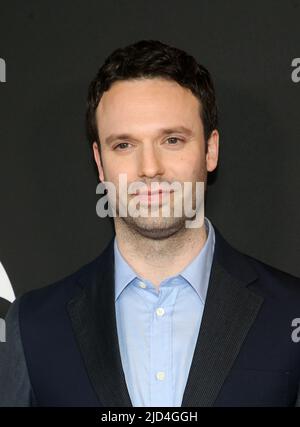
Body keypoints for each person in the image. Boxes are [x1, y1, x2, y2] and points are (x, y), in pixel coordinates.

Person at [1, 39, 300, 407]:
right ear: (99, 161)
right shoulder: (33, 325)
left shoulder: (290, 312)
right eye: (124, 145)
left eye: (172, 140)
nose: (150, 168)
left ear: (210, 150)